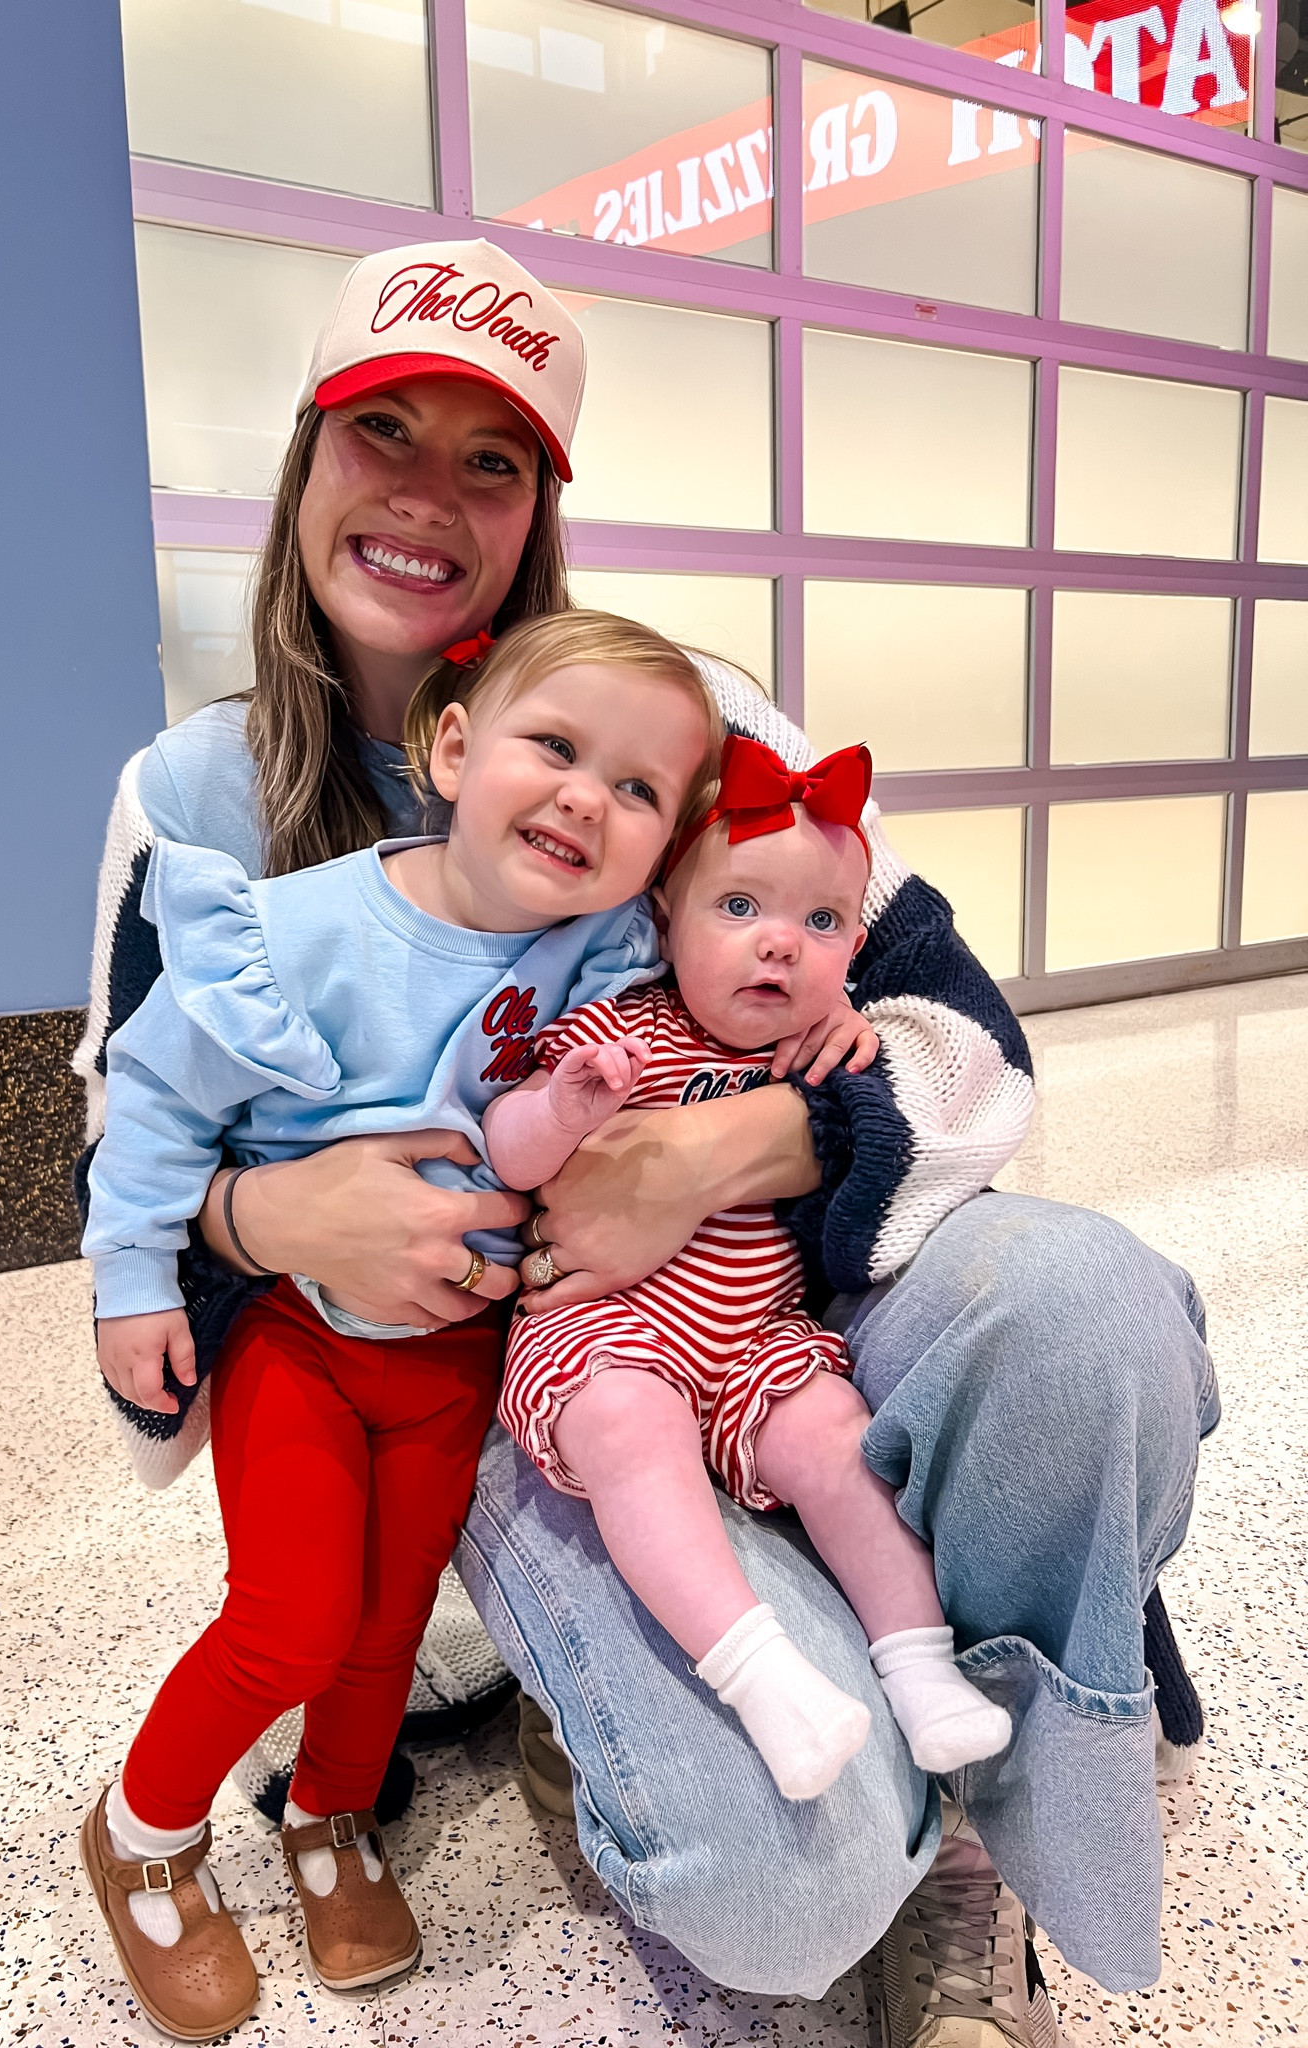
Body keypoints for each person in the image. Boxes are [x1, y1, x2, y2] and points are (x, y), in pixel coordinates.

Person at [73, 235, 1216, 2045]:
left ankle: (980, 1850)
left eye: (494, 458)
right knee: (781, 1879)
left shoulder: (693, 726)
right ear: (305, 455)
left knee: (1080, 1294)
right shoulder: (199, 803)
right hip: (520, 1378)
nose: (429, 498)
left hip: (782, 1315)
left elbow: (969, 1047)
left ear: (541, 510)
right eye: (386, 431)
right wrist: (262, 1208)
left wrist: (719, 1145)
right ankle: (711, 1686)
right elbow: (121, 1155)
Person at [78, 612, 721, 2034]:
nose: (582, 800)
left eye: (637, 792)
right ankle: (141, 1830)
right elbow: (157, 1096)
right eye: (554, 748)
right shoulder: (295, 927)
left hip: (454, 1363)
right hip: (300, 1339)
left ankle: (331, 1816)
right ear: (451, 746)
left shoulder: (605, 964)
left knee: (382, 1630)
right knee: (291, 1618)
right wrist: (131, 1274)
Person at [487, 735, 1013, 1802]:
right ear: (662, 921)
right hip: (604, 1331)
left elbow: (959, 1083)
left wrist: (853, 1034)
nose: (780, 945)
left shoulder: (826, 1044)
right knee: (634, 1429)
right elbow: (507, 1146)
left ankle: (920, 1668)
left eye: (818, 924)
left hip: (754, 1335)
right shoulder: (616, 1029)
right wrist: (564, 1108)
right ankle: (763, 1675)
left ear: (855, 945)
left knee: (840, 1440)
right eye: (738, 909)